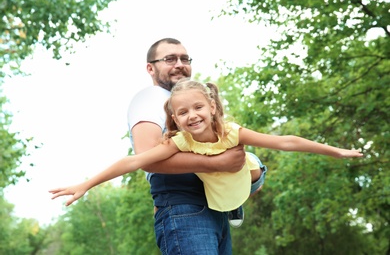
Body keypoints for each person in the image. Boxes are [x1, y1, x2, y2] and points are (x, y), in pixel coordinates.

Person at [50, 78, 363, 253]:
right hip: (216, 195)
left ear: (212, 107)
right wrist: (85, 184)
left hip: (240, 181)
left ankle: (238, 201)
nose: (192, 115)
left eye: (198, 106)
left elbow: (286, 141)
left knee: (251, 161)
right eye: (182, 112)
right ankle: (231, 204)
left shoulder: (232, 131)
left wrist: (335, 151)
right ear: (174, 119)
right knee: (224, 167)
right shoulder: (180, 142)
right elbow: (134, 161)